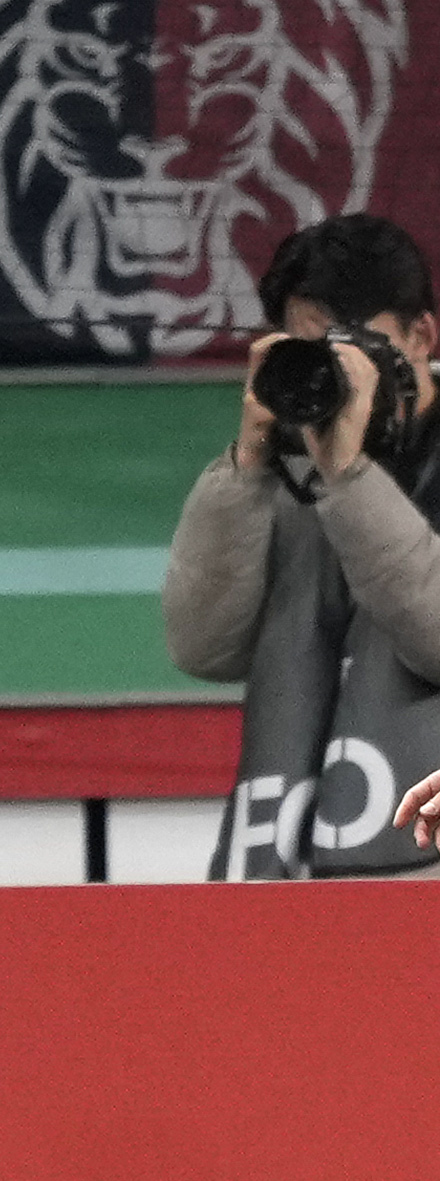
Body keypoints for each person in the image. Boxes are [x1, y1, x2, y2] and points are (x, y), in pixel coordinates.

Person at [162, 215, 440, 880]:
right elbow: (203, 644)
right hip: (277, 877)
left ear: (420, 334)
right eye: (305, 348)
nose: (329, 372)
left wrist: (349, 479)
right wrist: (246, 466)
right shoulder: (292, 465)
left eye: (349, 350)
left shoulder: (335, 470)